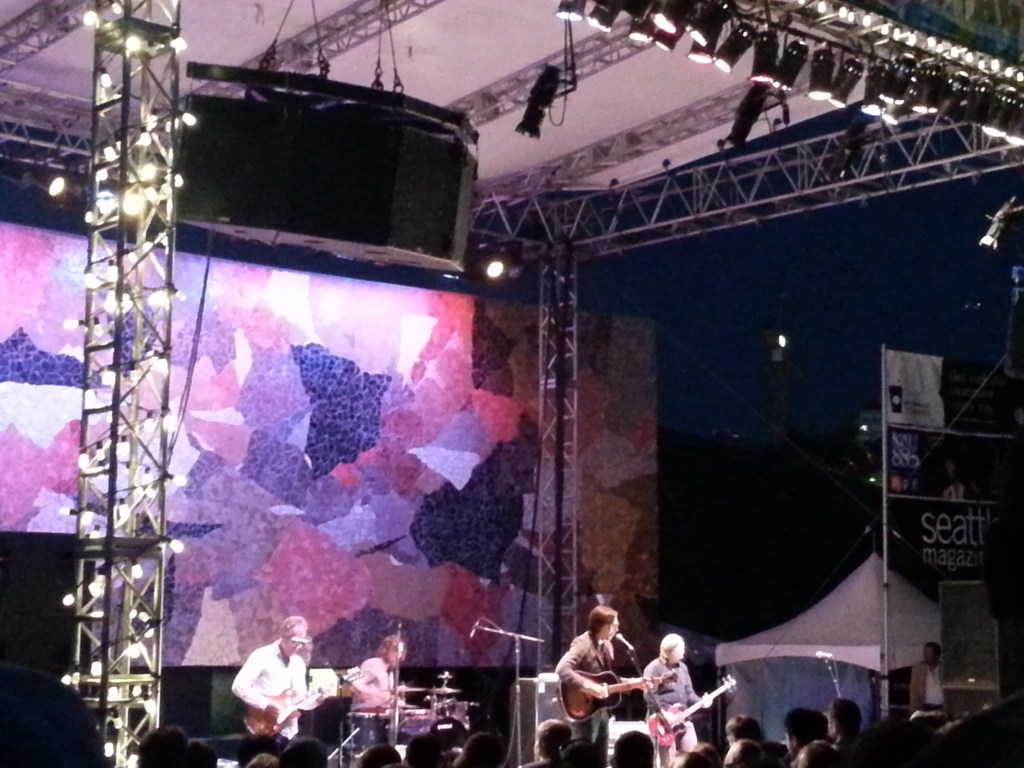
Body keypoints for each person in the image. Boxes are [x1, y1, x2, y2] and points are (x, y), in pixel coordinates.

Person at [232, 615, 324, 741]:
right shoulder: (262, 655)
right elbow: (239, 686)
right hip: (263, 727)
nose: (298, 647)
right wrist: (266, 704)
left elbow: (300, 699)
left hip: (289, 731)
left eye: (301, 643)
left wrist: (318, 699)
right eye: (294, 642)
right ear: (283, 637)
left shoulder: (298, 663)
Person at [555, 605, 623, 764]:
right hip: (583, 708)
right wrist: (588, 686)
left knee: (601, 757)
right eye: (614, 626)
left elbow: (607, 679)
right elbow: (562, 669)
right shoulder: (583, 642)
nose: (616, 630)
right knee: (584, 756)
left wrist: (634, 683)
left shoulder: (607, 646)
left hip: (601, 709)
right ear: (601, 625)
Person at [643, 634, 712, 767]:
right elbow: (649, 695)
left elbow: (689, 693)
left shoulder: (683, 668)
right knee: (668, 761)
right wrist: (663, 713)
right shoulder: (653, 668)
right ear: (668, 651)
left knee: (693, 755)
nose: (682, 655)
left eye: (683, 651)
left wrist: (702, 701)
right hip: (663, 722)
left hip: (684, 719)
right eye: (678, 652)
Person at [351, 634, 408, 711]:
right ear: (385, 650)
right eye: (396, 651)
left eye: (401, 653)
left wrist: (393, 696)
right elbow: (355, 687)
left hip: (378, 714)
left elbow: (383, 698)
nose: (399, 656)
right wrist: (384, 694)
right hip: (365, 715)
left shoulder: (390, 673)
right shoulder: (372, 664)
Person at [909, 642, 944, 713]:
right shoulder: (919, 668)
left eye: (929, 653)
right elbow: (914, 688)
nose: (925, 655)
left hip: (941, 705)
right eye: (925, 652)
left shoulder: (943, 668)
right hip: (925, 705)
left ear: (937, 655)